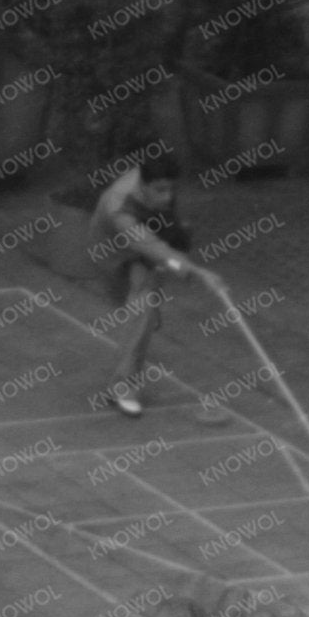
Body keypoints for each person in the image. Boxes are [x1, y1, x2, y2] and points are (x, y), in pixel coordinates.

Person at [90, 139, 207, 418]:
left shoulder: (158, 187)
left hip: (144, 253)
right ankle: (144, 314)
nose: (167, 196)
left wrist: (178, 251)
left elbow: (165, 230)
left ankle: (122, 387)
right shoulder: (119, 206)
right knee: (130, 307)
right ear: (143, 186)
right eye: (160, 190)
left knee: (140, 310)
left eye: (171, 189)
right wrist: (196, 271)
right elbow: (148, 245)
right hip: (110, 252)